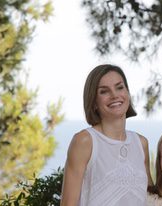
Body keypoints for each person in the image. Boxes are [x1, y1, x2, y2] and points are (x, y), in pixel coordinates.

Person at [61, 64, 153, 205]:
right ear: (94, 102)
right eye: (104, 91)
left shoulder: (141, 143)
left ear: (127, 93)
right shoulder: (85, 141)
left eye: (119, 87)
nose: (114, 95)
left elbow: (150, 198)